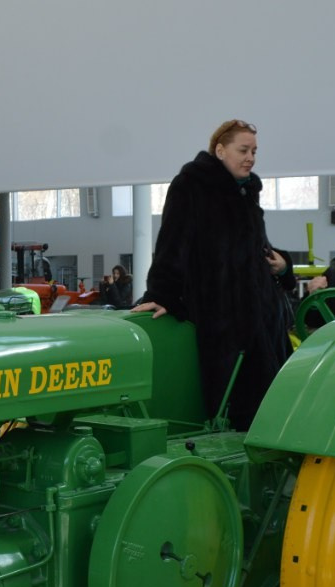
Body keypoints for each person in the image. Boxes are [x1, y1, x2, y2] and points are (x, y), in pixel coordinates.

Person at [132, 119, 294, 431]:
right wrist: (162, 294)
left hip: (263, 316)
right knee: (235, 407)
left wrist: (282, 265)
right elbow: (172, 242)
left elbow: (255, 247)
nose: (250, 158)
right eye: (243, 150)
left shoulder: (248, 191)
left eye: (255, 152)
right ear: (220, 150)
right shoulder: (192, 185)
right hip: (223, 317)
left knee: (270, 403)